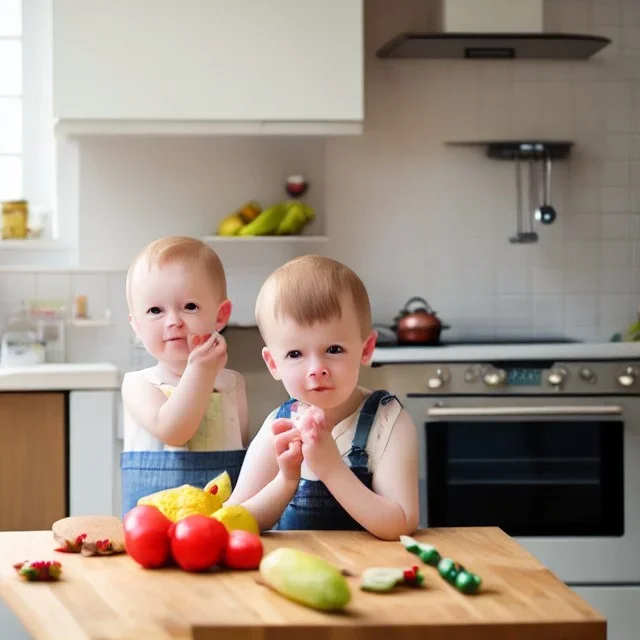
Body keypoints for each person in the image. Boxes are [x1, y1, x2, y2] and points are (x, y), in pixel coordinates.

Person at [226, 255, 419, 540]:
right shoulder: (279, 427)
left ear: (366, 349)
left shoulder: (388, 422)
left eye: (334, 349)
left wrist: (330, 468)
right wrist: (286, 479)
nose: (317, 370)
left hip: (370, 572)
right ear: (273, 364)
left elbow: (400, 524)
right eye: (295, 354)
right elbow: (236, 517)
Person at [120, 236, 249, 516]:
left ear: (220, 315)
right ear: (137, 326)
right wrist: (200, 371)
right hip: (152, 529)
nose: (173, 321)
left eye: (189, 307)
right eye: (155, 310)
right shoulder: (139, 384)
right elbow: (174, 431)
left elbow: (240, 452)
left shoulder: (233, 384)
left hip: (221, 520)